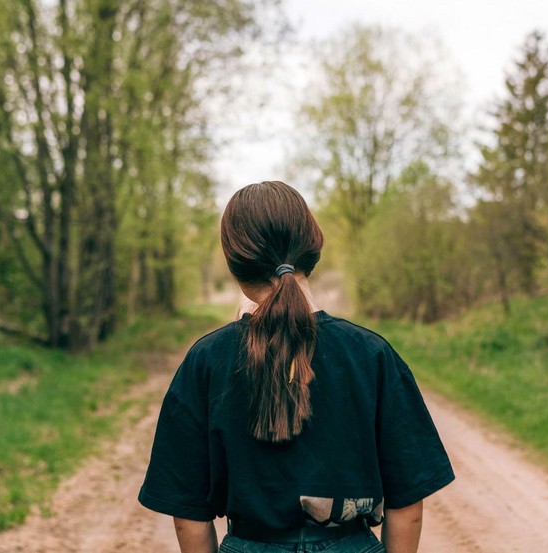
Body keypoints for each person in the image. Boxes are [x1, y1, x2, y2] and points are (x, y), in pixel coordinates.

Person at [138, 181, 454, 553]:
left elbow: (188, 513)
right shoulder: (372, 355)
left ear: (236, 266)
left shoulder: (206, 361)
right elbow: (408, 501)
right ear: (312, 248)